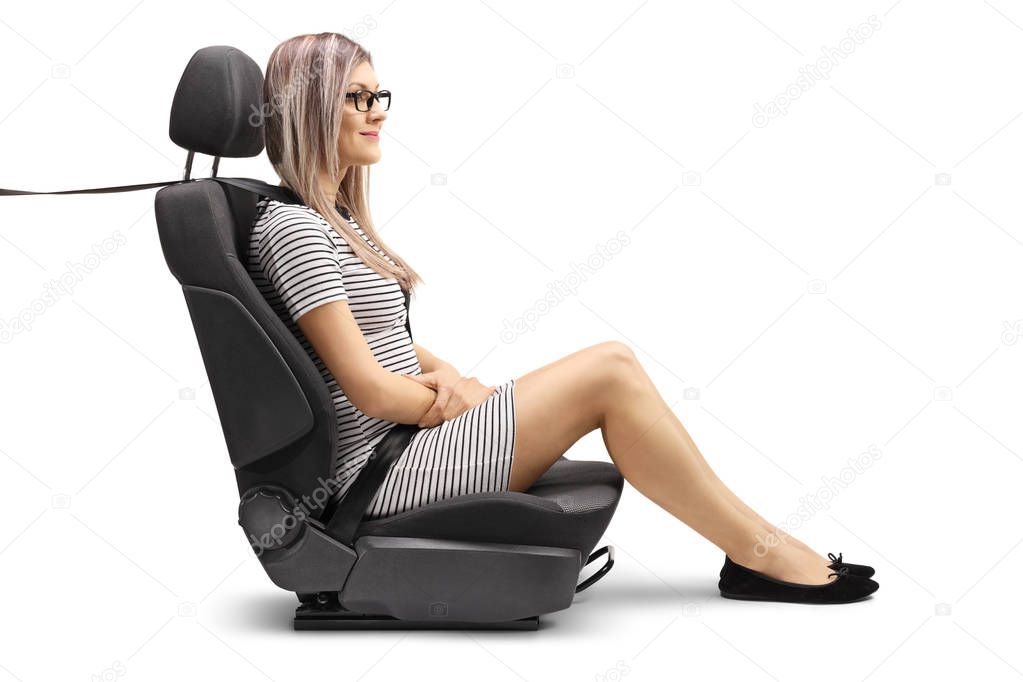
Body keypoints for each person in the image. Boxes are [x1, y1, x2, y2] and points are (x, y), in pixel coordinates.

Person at [248, 31, 878, 604]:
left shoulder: (335, 222)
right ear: (310, 110)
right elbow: (367, 386)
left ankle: (760, 546)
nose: (378, 110)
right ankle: (757, 552)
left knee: (610, 367)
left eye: (378, 94)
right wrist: (452, 403)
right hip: (381, 475)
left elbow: (391, 346)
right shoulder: (295, 230)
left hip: (409, 439)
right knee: (610, 369)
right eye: (357, 97)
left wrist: (448, 377)